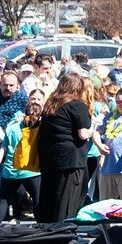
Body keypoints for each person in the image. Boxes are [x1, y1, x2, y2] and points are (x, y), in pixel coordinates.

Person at [35, 71, 93, 222]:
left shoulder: (50, 104)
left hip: (49, 157)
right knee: (66, 202)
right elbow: (82, 134)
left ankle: (46, 234)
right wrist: (93, 129)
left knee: (49, 198)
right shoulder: (77, 104)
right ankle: (62, 236)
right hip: (70, 160)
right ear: (78, 88)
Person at [0, 89, 43, 222]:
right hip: (32, 171)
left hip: (10, 170)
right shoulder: (39, 128)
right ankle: (41, 227)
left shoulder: (12, 127)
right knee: (37, 199)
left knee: (3, 199)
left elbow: (3, 147)